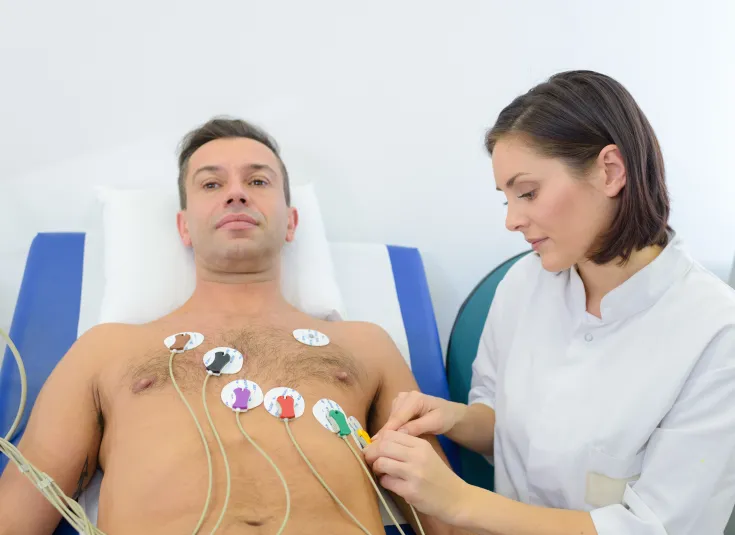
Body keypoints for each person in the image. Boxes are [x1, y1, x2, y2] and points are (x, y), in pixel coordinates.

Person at [0, 118, 468, 535]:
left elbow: (448, 520)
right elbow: (16, 516)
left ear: (292, 223)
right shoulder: (106, 351)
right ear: (184, 228)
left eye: (258, 180)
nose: (236, 192)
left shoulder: (365, 346)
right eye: (210, 184)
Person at [364, 70, 735, 535]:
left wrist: (459, 500)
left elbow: (657, 527)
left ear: (610, 171)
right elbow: (503, 427)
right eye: (506, 200)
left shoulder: (717, 334)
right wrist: (454, 417)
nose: (512, 221)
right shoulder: (524, 283)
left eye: (528, 193)